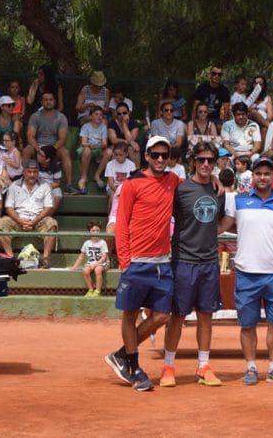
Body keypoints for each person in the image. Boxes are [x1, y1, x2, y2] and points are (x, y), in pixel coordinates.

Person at [105, 136, 178, 392]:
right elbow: (121, 224)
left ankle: (122, 354)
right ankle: (134, 368)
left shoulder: (173, 182)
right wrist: (125, 261)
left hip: (162, 263)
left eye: (164, 155)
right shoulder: (131, 184)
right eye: (155, 155)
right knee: (130, 314)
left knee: (161, 316)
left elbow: (195, 187)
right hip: (136, 261)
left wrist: (214, 180)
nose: (160, 159)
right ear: (146, 155)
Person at [218, 156, 273, 386]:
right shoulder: (238, 200)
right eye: (258, 173)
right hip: (246, 271)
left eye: (266, 173)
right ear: (252, 176)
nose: (262, 177)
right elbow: (223, 226)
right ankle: (251, 367)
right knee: (247, 324)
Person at [160, 142, 226, 388]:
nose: (206, 164)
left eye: (210, 160)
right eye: (201, 160)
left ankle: (203, 366)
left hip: (209, 261)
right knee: (177, 316)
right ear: (193, 162)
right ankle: (168, 365)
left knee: (206, 316)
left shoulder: (219, 191)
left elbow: (223, 220)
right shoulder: (181, 189)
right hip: (183, 261)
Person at [0, 160, 58, 268]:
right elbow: (9, 207)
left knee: (52, 223)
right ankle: (11, 259)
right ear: (24, 172)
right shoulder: (14, 186)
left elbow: (48, 207)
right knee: (1, 223)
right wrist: (20, 220)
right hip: (18, 219)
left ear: (38, 172)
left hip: (38, 220)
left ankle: (46, 258)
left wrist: (35, 221)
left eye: (35, 172)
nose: (32, 175)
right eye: (29, 171)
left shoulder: (45, 186)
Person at [25, 92, 78, 195]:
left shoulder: (61, 117)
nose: (48, 102)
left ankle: (69, 185)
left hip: (54, 147)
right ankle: (23, 181)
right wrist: (38, 148)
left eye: (50, 100)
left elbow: (62, 138)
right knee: (27, 150)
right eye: (45, 100)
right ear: (42, 102)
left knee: (65, 152)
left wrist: (50, 150)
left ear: (54, 101)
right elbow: (30, 136)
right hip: (38, 146)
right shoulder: (35, 116)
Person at [68, 220, 109, 297]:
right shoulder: (87, 243)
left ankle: (97, 291)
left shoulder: (102, 242)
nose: (95, 232)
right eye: (93, 230)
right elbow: (81, 256)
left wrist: (96, 264)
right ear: (89, 231)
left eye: (97, 230)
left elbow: (104, 257)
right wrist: (74, 267)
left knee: (98, 270)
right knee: (85, 271)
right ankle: (90, 290)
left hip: (102, 262)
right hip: (91, 262)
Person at [77, 106, 112, 193]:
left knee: (109, 151)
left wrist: (97, 146)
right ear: (91, 116)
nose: (99, 116)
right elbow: (84, 142)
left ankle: (97, 175)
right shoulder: (86, 126)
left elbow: (104, 143)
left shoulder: (103, 127)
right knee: (87, 149)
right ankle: (84, 177)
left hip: (97, 149)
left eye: (101, 115)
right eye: (96, 114)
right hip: (86, 149)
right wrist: (90, 145)